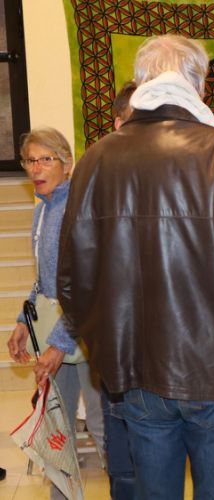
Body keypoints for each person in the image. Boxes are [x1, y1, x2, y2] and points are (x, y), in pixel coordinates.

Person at [57, 34, 214, 500]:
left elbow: (71, 283)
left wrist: (110, 355)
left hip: (137, 374)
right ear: (200, 87)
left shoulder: (96, 160)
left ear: (140, 83)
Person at [7, 127, 105, 499]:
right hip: (57, 334)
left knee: (102, 427)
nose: (36, 168)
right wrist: (24, 321)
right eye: (30, 160)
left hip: (87, 336)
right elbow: (44, 282)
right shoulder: (42, 213)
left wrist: (59, 345)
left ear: (67, 164)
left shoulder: (78, 211)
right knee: (58, 431)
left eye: (46, 159)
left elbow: (87, 285)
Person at [100, 79, 138, 500]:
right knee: (125, 462)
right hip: (119, 343)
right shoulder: (100, 177)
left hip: (166, 351)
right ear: (118, 123)